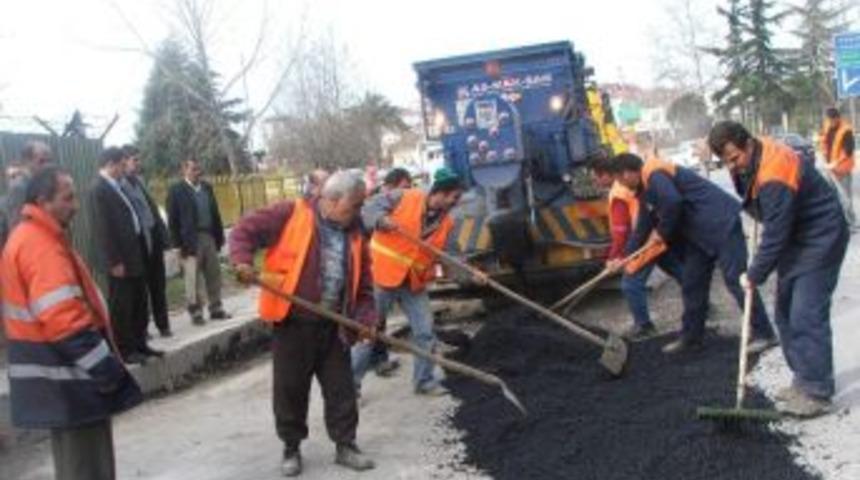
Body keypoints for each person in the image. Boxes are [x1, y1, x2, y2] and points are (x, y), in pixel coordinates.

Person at [229, 171, 377, 476]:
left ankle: (345, 445)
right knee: (290, 390)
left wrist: (365, 320)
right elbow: (244, 230)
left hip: (333, 327)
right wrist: (242, 260)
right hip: (292, 322)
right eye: (353, 206)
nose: (358, 213)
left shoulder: (356, 234)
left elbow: (363, 288)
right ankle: (291, 447)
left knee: (342, 390)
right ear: (332, 200)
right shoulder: (290, 213)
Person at [2, 166, 142, 480]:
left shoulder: (31, 237)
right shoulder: (40, 245)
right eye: (68, 198)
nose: (75, 205)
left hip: (59, 378)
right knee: (88, 468)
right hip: (70, 380)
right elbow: (64, 321)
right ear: (43, 201)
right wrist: (108, 371)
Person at [709, 121, 849, 417]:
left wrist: (754, 274)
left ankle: (817, 391)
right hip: (797, 239)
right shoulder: (751, 160)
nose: (732, 166)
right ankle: (804, 379)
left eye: (735, 159)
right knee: (784, 312)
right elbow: (766, 214)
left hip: (820, 237)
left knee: (805, 313)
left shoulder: (775, 170)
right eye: (725, 162)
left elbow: (776, 233)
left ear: (747, 144)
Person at [615, 152, 777, 354]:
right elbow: (643, 226)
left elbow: (673, 202)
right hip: (698, 235)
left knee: (736, 280)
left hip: (721, 224)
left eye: (620, 179)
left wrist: (662, 232)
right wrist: (623, 257)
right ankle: (692, 337)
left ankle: (765, 334)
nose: (621, 184)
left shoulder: (654, 173)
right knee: (693, 283)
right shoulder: (644, 190)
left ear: (628, 173)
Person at [360, 167, 466, 396]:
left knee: (425, 332)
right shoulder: (404, 196)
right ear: (442, 193)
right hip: (383, 275)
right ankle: (349, 387)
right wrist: (380, 220)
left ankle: (423, 381)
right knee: (368, 332)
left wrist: (471, 274)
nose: (457, 203)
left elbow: (451, 256)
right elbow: (369, 208)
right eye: (455, 197)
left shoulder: (447, 222)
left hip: (413, 282)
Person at [590, 154, 683, 340]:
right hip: (651, 235)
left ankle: (644, 325)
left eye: (596, 177)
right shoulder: (625, 185)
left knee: (630, 283)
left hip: (645, 240)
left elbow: (621, 231)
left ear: (608, 175)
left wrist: (615, 257)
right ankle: (701, 303)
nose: (594, 182)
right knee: (678, 270)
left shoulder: (618, 192)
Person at [89, 147, 162, 364]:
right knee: (123, 306)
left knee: (140, 301)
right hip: (120, 260)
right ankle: (125, 349)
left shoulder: (117, 186)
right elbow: (102, 229)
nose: (124, 168)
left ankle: (140, 344)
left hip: (134, 253)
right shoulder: (99, 189)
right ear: (110, 164)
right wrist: (114, 261)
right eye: (121, 164)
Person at [351, 168, 414, 391]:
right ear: (389, 187)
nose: (407, 193)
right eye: (403, 188)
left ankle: (379, 360)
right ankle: (352, 380)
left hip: (390, 270)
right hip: (370, 270)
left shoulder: (399, 204)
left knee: (379, 323)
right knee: (370, 323)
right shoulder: (373, 205)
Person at [167, 159, 230, 325]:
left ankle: (216, 308)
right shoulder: (176, 190)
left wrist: (219, 237)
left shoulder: (207, 188)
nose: (197, 172)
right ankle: (195, 311)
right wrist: (177, 245)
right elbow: (172, 220)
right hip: (189, 240)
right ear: (184, 170)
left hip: (208, 235)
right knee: (192, 277)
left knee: (213, 274)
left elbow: (215, 212)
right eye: (194, 169)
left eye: (199, 169)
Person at [119, 145, 172, 337]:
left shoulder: (140, 181)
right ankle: (141, 329)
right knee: (140, 291)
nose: (137, 163)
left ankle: (163, 325)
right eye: (134, 159)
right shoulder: (120, 186)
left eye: (138, 159)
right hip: (139, 243)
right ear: (123, 161)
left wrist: (164, 236)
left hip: (153, 240)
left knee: (158, 286)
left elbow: (152, 210)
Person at [0, 140, 54, 250]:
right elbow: (16, 227)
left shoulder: (40, 183)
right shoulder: (20, 187)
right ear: (27, 162)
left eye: (50, 161)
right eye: (42, 161)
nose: (48, 166)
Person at [819, 107, 855, 227]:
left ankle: (851, 222)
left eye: (832, 120)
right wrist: (824, 159)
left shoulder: (846, 130)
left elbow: (848, 151)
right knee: (833, 196)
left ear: (837, 118)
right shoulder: (827, 127)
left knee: (845, 197)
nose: (830, 122)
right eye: (828, 120)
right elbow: (824, 143)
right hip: (830, 169)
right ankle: (839, 221)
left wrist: (836, 162)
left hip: (842, 169)